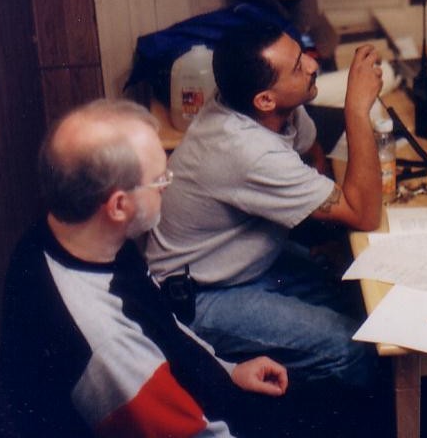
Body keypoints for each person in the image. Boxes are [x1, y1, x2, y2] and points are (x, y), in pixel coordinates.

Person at [0, 99, 292, 438]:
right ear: (119, 205)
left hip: (200, 390)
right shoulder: (108, 346)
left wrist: (227, 370)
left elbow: (160, 322)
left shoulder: (68, 233)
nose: (169, 184)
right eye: (160, 179)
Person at [146, 24, 384, 388]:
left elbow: (311, 152)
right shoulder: (245, 148)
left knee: (360, 294)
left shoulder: (270, 109)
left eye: (300, 53)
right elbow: (364, 214)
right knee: (353, 347)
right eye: (296, 67)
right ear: (265, 100)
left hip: (246, 265)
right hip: (202, 296)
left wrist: (313, 202)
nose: (310, 65)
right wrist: (356, 108)